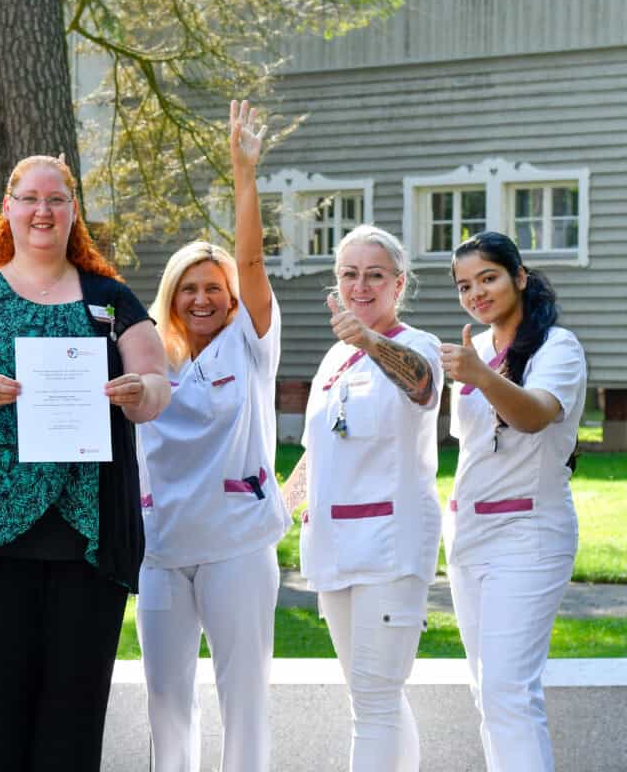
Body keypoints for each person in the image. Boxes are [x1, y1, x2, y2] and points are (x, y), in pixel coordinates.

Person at [0, 153, 171, 771]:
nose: (42, 210)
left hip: (87, 547)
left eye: (56, 199)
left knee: (73, 723)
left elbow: (158, 382)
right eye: (30, 198)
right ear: (8, 208)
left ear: (72, 211)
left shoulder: (110, 300)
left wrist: (140, 391)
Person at [134, 101, 289, 772]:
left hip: (235, 548)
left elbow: (252, 261)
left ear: (232, 300)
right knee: (167, 705)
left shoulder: (249, 347)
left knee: (243, 701)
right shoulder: (146, 363)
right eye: (189, 289)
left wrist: (243, 174)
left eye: (214, 289)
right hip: (163, 552)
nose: (202, 299)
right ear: (171, 298)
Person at [281, 224, 442, 772]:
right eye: (350, 274)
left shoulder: (416, 346)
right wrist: (275, 512)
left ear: (399, 284)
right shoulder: (332, 361)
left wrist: (370, 340)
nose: (361, 286)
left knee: (372, 703)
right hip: (333, 548)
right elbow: (316, 452)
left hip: (389, 552)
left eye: (375, 275)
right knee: (377, 697)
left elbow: (420, 385)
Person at [440, 232, 586, 772]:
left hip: (529, 534)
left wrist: (480, 375)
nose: (476, 293)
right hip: (468, 535)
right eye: (464, 285)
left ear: (519, 277)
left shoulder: (557, 348)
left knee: (509, 692)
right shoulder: (474, 349)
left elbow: (533, 415)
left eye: (488, 278)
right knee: (488, 694)